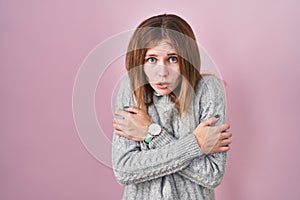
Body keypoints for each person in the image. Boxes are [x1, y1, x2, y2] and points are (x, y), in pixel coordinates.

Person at [112, 14, 232, 200]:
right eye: (151, 59)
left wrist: (150, 134)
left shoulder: (207, 90)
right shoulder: (130, 88)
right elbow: (124, 170)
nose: (162, 72)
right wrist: (196, 144)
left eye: (172, 59)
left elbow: (212, 174)